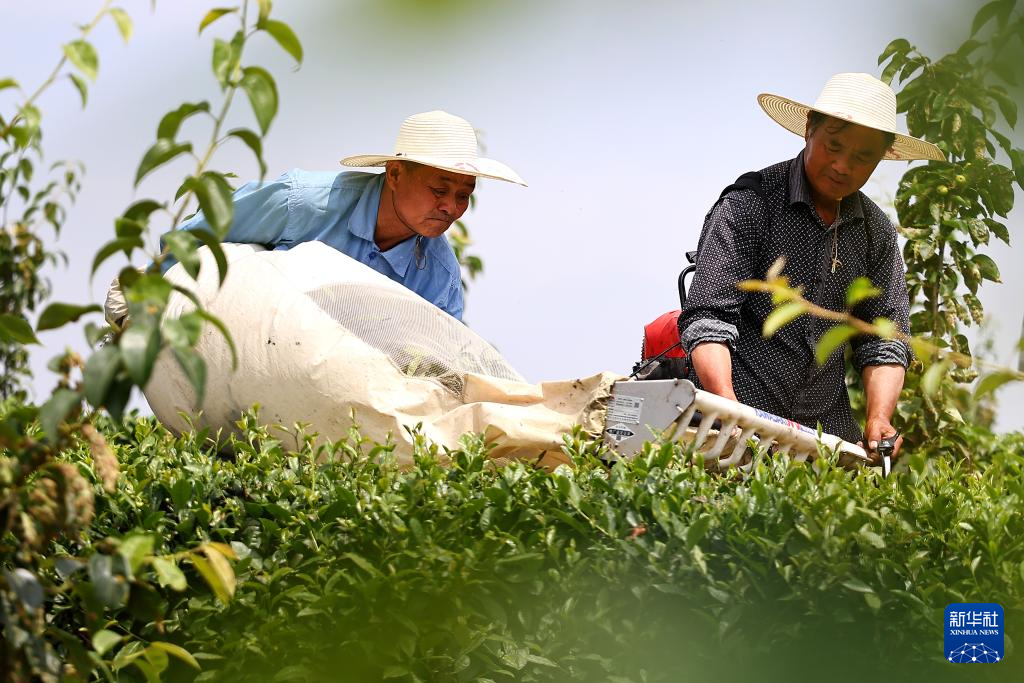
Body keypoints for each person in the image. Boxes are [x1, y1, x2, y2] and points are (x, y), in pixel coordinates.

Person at [677, 73, 944, 463]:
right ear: (809, 131)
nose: (842, 165)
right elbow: (708, 319)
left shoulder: (875, 232)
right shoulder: (750, 205)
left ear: (881, 159)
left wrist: (879, 418)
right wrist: (728, 406)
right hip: (733, 419)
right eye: (833, 145)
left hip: (824, 433)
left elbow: (885, 340)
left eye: (862, 157)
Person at [105, 110, 525, 324]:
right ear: (395, 174)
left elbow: (443, 364)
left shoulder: (439, 277)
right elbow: (192, 239)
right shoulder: (303, 202)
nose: (451, 208)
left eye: (463, 195)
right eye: (439, 190)